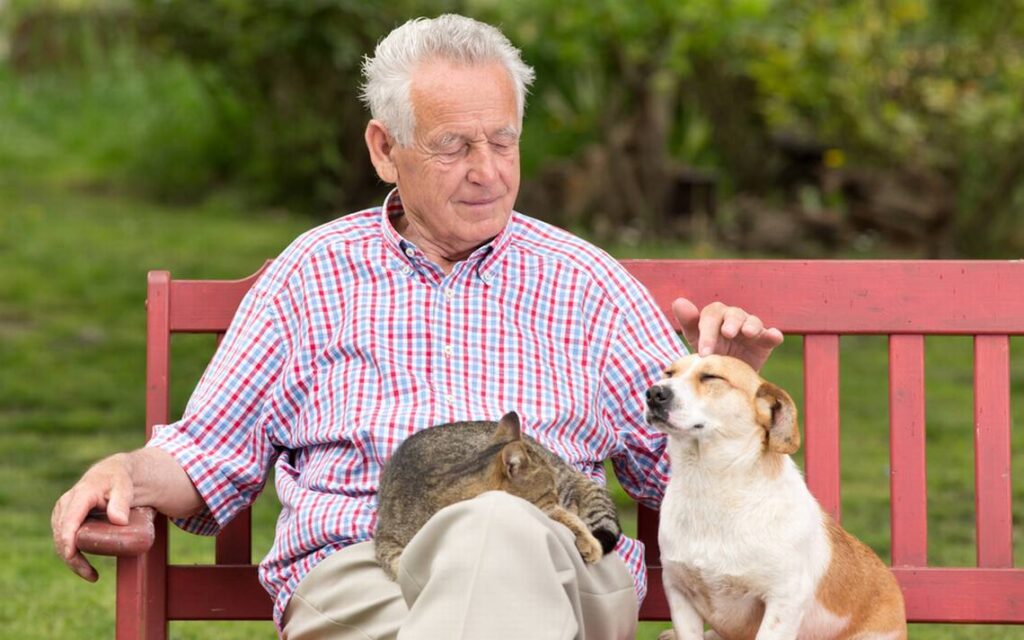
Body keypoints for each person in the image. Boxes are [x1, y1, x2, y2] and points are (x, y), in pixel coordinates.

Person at [51, 14, 783, 640]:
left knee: (495, 522)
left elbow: (680, 482)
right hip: (365, 581)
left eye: (503, 141)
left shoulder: (585, 283)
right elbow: (208, 453)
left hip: (565, 573)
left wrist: (726, 405)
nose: (488, 171)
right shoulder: (313, 275)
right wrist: (126, 471)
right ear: (382, 149)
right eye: (454, 146)